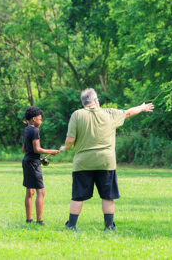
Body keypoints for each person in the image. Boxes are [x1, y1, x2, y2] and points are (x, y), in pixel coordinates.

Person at [60, 88, 154, 231]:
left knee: (78, 196)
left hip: (83, 163)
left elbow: (70, 140)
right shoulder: (110, 113)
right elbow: (128, 112)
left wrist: (65, 147)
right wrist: (142, 107)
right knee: (107, 196)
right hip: (106, 162)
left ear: (84, 102)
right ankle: (109, 227)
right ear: (96, 100)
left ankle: (71, 226)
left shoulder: (77, 115)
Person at [22, 106, 60, 225]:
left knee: (30, 191)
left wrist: (39, 158)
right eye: (40, 119)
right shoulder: (35, 130)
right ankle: (40, 221)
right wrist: (51, 152)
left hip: (27, 160)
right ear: (34, 119)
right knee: (40, 192)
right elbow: (37, 148)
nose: (41, 121)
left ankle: (29, 219)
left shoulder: (26, 129)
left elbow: (24, 149)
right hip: (33, 163)